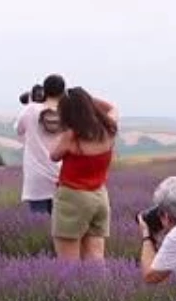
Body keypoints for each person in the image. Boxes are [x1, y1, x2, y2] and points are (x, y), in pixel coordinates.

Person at [50, 85, 119, 262]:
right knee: (96, 258)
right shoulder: (109, 128)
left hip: (73, 199)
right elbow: (112, 107)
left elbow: (53, 155)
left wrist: (74, 103)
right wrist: (86, 100)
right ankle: (99, 290)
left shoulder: (72, 136)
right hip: (100, 196)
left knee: (68, 262)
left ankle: (74, 290)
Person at [14, 83, 60, 215]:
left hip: (36, 176)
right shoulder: (59, 110)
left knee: (38, 219)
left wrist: (29, 104)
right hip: (58, 173)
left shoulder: (30, 109)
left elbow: (19, 129)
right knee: (60, 223)